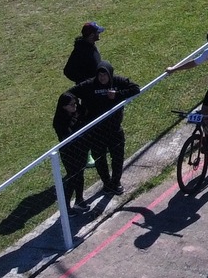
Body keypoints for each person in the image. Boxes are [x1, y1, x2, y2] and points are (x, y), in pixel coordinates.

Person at [77, 62, 141, 195]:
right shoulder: (90, 84)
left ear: (110, 74)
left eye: (105, 74)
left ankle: (116, 182)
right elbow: (71, 93)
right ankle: (106, 183)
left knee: (117, 157)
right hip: (96, 132)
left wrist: (117, 94)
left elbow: (135, 88)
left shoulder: (118, 81)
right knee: (100, 159)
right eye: (99, 75)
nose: (102, 78)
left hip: (115, 130)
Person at [52, 88, 88, 206]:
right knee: (73, 178)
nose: (75, 106)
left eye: (75, 103)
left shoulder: (77, 112)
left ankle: (79, 199)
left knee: (80, 176)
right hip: (69, 153)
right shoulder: (59, 121)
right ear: (63, 106)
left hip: (81, 149)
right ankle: (66, 206)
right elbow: (68, 135)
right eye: (72, 105)